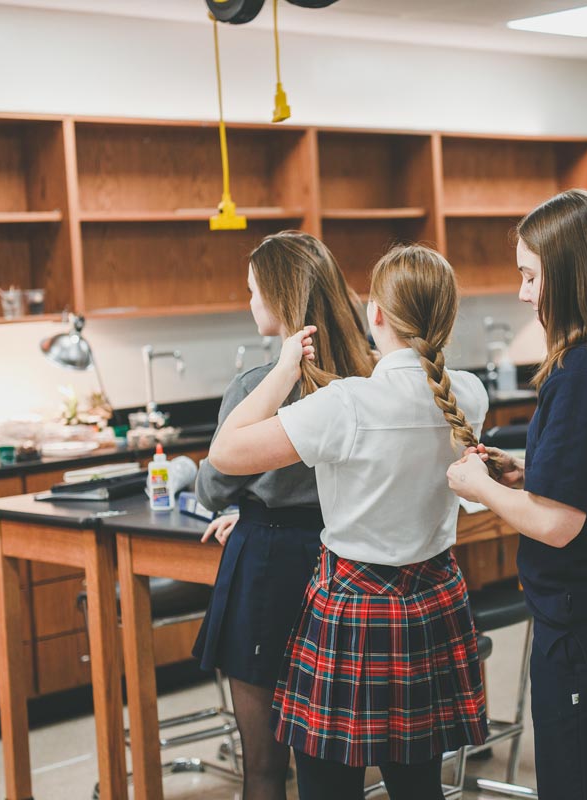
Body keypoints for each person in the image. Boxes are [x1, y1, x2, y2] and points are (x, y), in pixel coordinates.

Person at [207, 244, 489, 800]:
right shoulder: (469, 395)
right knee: (417, 784)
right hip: (432, 602)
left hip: (354, 609)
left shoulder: (346, 405)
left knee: (327, 786)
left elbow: (224, 455)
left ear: (376, 314)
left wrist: (285, 367)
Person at [447, 188, 587, 800]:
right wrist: (530, 473)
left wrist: (477, 486)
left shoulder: (581, 371)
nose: (523, 293)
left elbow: (555, 526)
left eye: (530, 276)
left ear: (572, 274)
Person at [193, 231, 374, 800]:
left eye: (252, 291)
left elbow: (212, 483)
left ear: (277, 297)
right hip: (343, 563)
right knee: (335, 764)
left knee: (265, 768)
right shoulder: (371, 375)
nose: (248, 302)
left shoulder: (256, 389)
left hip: (268, 566)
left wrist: (247, 512)